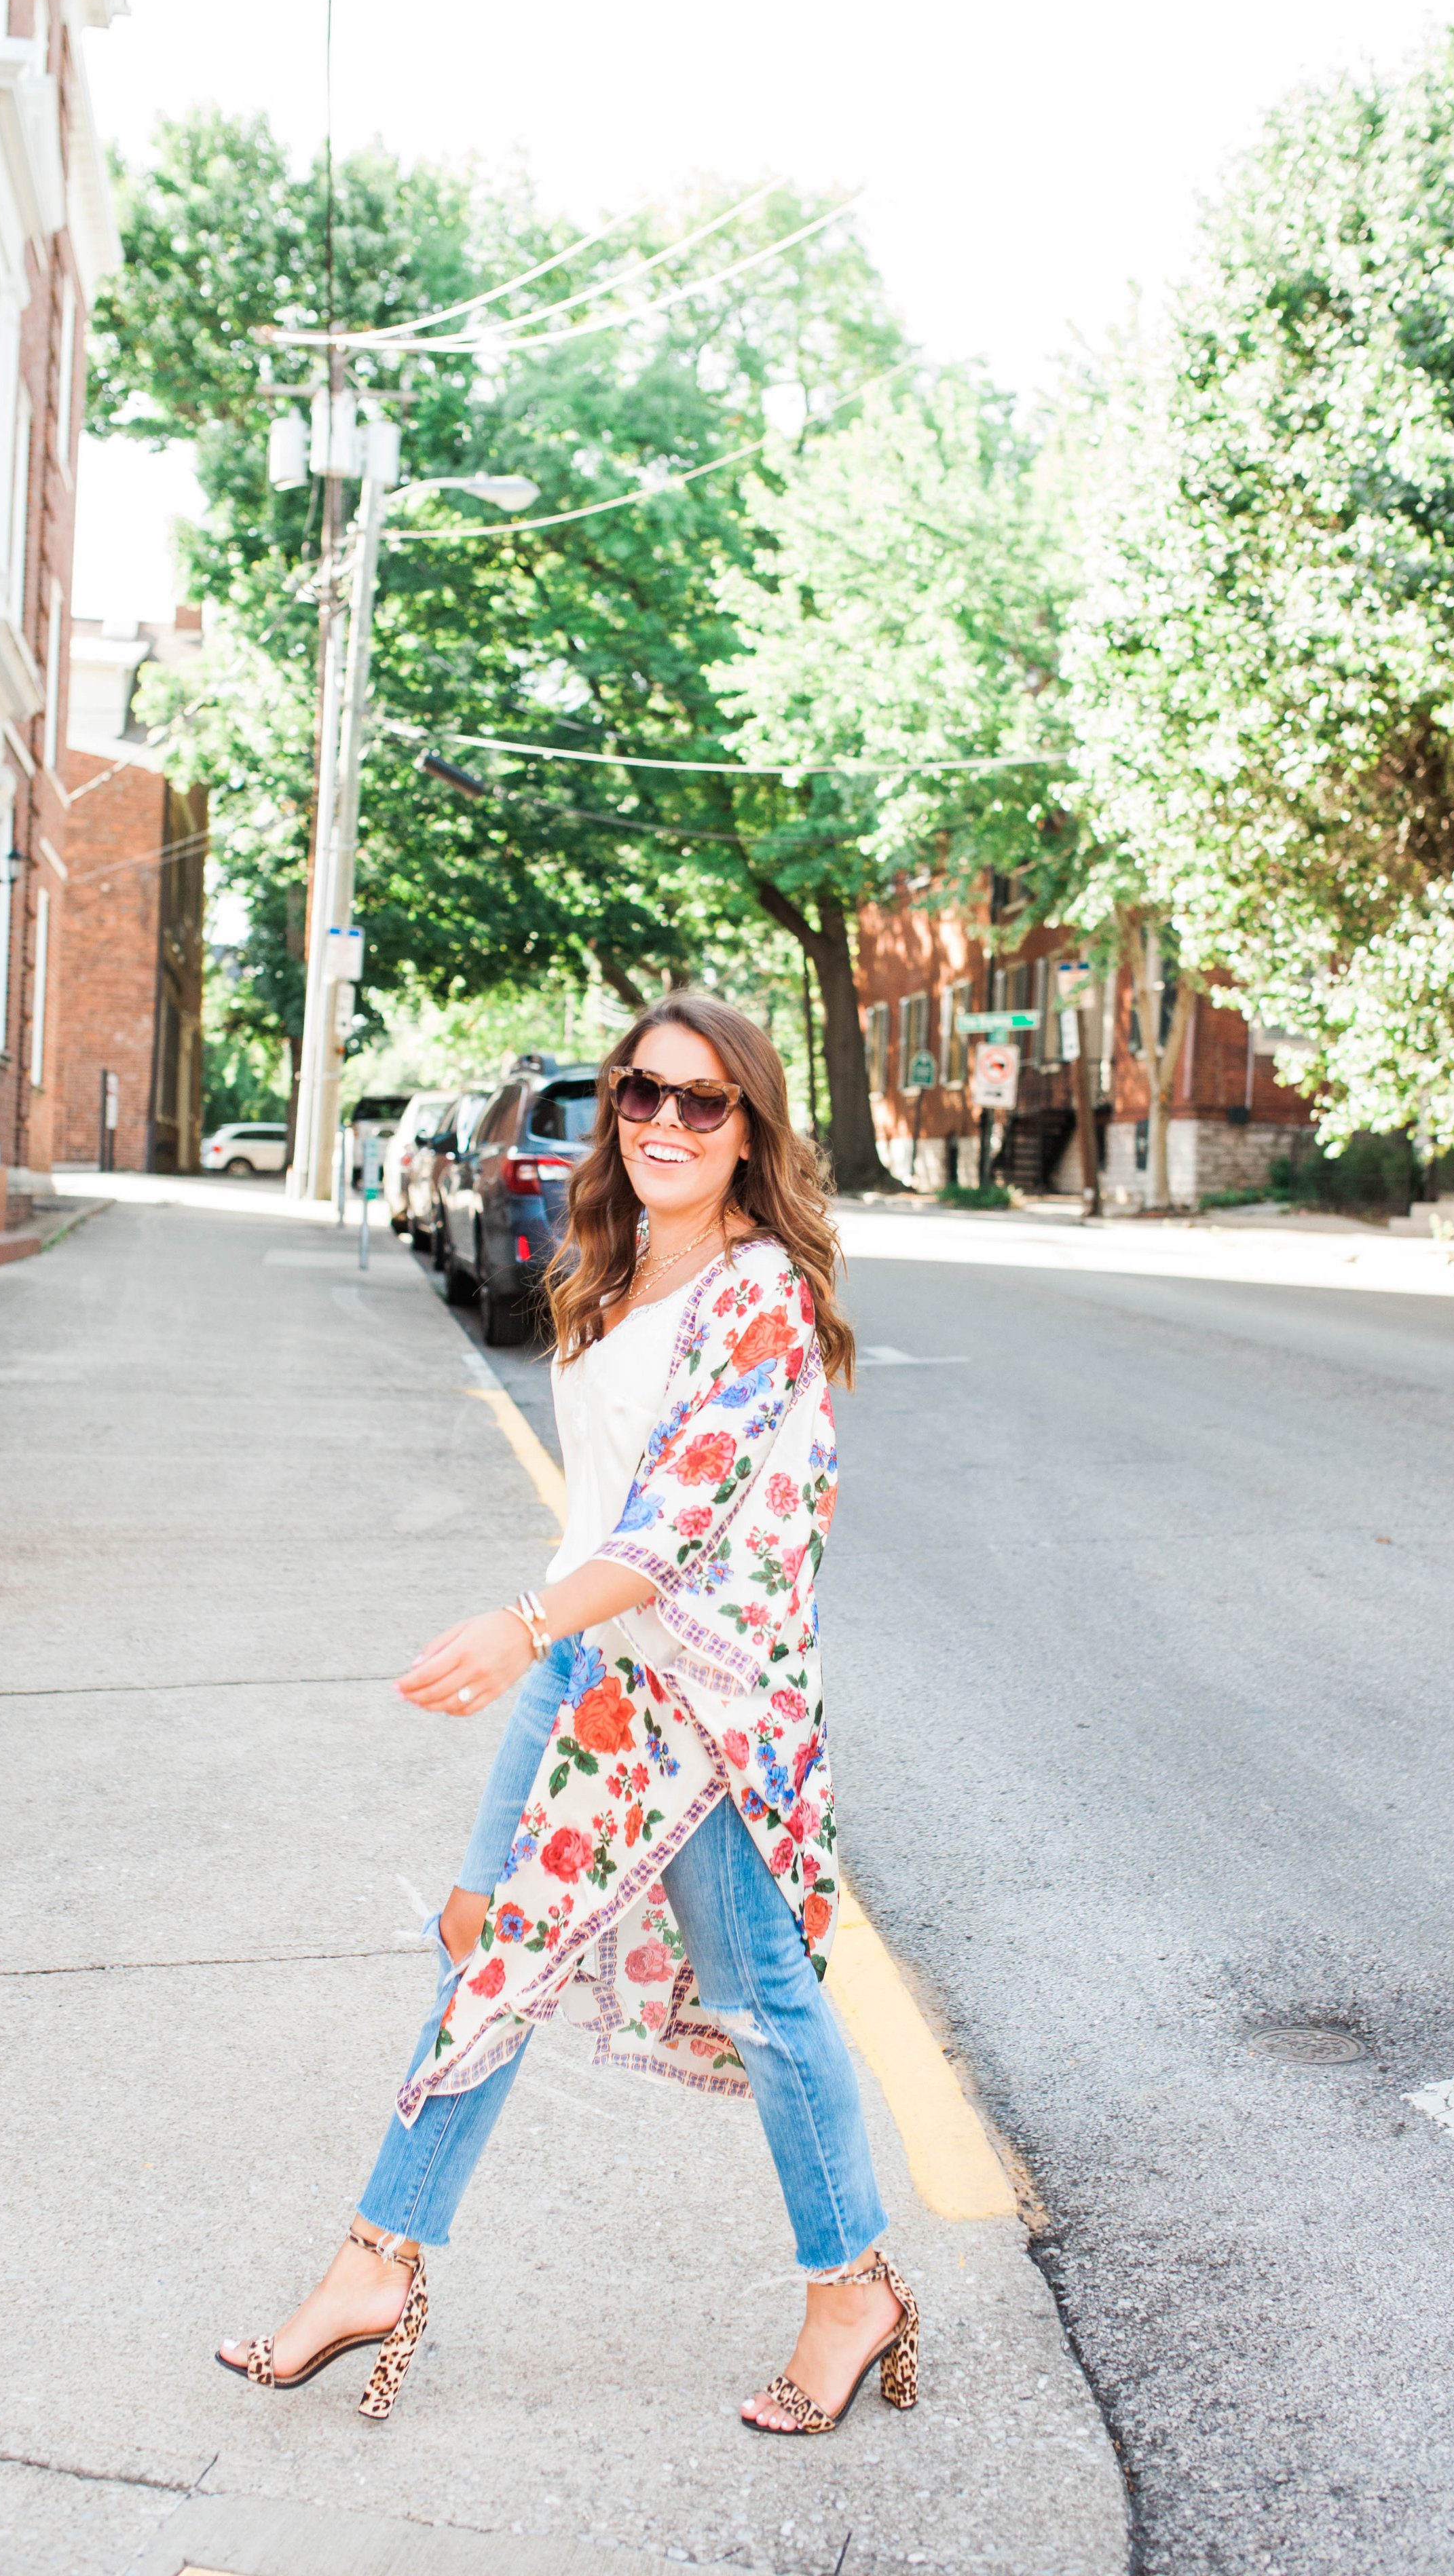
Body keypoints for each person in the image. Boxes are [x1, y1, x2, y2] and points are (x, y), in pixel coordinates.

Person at [217, 993, 918, 2435]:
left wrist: (521, 1625)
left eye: (702, 1102)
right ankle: (374, 2263)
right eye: (639, 1092)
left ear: (751, 1131)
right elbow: (597, 1515)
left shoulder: (761, 1293)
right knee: (482, 1940)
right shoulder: (611, 1268)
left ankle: (848, 2290)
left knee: (760, 2005)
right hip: (596, 1673)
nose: (663, 1121)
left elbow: (678, 1521)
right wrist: (547, 1645)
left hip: (704, 1704)